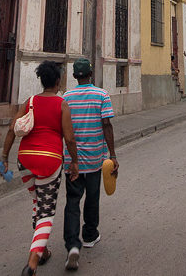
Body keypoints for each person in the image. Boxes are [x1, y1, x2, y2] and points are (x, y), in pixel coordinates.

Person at [0, 61, 79, 276]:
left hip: (24, 161)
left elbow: (11, 129)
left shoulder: (30, 101)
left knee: (37, 201)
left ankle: (42, 252)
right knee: (47, 210)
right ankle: (32, 262)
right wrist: (75, 162)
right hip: (49, 161)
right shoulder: (61, 105)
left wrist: (4, 157)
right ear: (56, 81)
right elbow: (70, 139)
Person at [62, 58, 118, 272]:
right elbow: (107, 124)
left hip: (72, 160)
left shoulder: (66, 97)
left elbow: (64, 129)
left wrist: (64, 156)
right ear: (91, 74)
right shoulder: (101, 95)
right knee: (92, 198)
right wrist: (112, 155)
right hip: (95, 159)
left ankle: (72, 245)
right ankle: (89, 235)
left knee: (72, 201)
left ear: (75, 76)